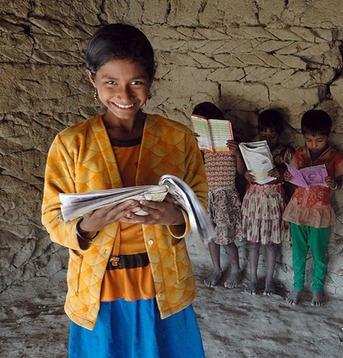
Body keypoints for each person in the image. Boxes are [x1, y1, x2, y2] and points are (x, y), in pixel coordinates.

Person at [41, 24, 207, 356]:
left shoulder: (178, 140)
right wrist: (88, 225)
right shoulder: (71, 145)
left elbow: (200, 205)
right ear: (92, 79)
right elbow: (52, 218)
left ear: (150, 79)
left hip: (163, 286)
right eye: (111, 83)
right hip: (98, 288)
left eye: (136, 83)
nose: (124, 96)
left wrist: (175, 216)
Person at [282, 109, 343, 306]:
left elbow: (341, 180)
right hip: (298, 209)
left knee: (319, 253)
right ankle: (297, 286)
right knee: (298, 253)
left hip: (320, 211)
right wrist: (288, 177)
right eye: (309, 140)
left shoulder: (334, 157)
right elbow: (293, 176)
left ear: (328, 136)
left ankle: (317, 288)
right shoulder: (300, 153)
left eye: (319, 140)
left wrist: (333, 182)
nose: (314, 144)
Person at [241, 109, 295, 295]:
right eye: (264, 133)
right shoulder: (251, 150)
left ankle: (270, 280)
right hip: (254, 201)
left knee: (271, 244)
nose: (267, 137)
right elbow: (245, 171)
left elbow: (293, 177)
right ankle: (253, 279)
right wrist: (246, 175)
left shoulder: (286, 152)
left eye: (272, 135)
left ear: (279, 133)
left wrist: (280, 173)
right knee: (253, 243)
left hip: (273, 202)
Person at [192, 102, 245, 289]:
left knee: (227, 238)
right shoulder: (202, 146)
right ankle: (216, 269)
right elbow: (197, 166)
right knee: (211, 237)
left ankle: (236, 269)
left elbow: (240, 171)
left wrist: (236, 152)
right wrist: (196, 145)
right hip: (209, 196)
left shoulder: (232, 142)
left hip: (225, 196)